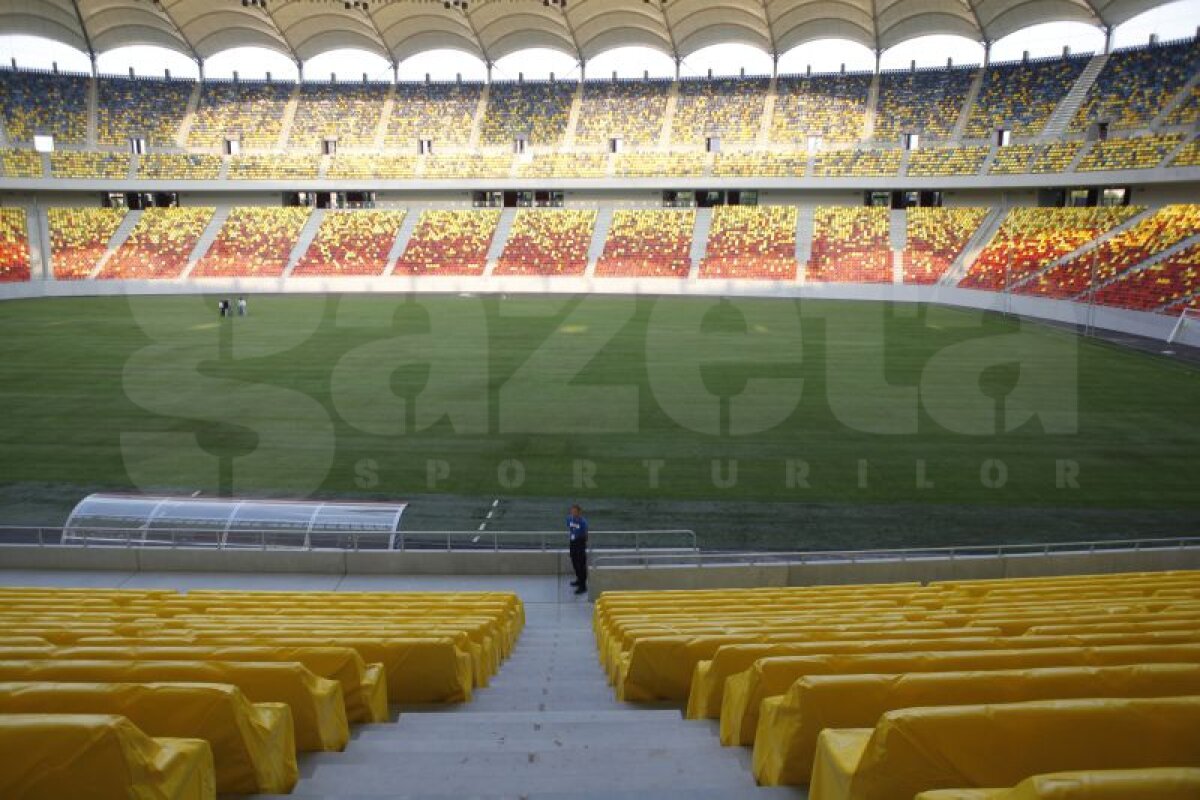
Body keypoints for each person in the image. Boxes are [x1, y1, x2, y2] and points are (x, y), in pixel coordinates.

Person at [566, 504, 589, 595]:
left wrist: (580, 540)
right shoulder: (569, 519)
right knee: (574, 562)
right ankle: (578, 580)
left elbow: (586, 535)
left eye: (575, 511)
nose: (573, 513)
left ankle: (583, 586)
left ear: (579, 512)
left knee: (581, 565)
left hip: (580, 543)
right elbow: (570, 528)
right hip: (572, 543)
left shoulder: (583, 522)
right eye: (572, 511)